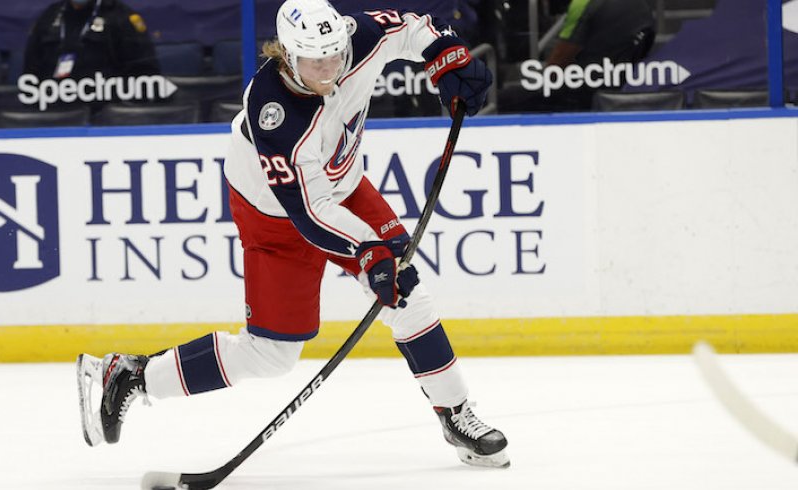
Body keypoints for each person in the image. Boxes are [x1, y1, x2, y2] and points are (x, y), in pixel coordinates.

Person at [76, 0, 508, 469]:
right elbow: (308, 210)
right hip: (276, 217)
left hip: (341, 186)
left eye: (334, 56)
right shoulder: (272, 110)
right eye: (313, 60)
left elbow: (412, 28)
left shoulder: (356, 37)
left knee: (407, 293)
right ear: (286, 54)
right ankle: (132, 375)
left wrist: (447, 57)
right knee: (271, 355)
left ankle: (456, 414)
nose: (328, 70)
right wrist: (370, 253)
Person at [499, 0, 655, 112]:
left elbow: (556, 67)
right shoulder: (644, 5)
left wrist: (536, 79)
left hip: (580, 89)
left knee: (504, 99)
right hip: (619, 85)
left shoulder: (583, 4)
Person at [23, 0, 160, 80]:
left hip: (105, 110)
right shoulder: (50, 15)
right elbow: (31, 70)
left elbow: (145, 74)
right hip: (54, 107)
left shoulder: (120, 16)